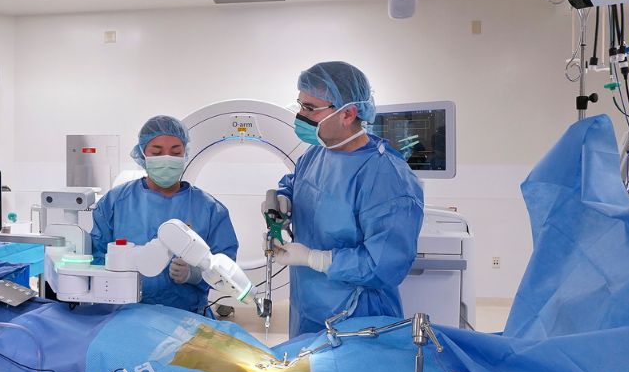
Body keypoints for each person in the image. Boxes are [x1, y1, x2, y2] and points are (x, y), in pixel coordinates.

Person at [274, 62, 425, 337]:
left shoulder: (386, 177)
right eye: (300, 105)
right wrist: (280, 204)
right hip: (308, 305)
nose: (300, 115)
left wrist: (313, 259)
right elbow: (295, 186)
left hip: (357, 316)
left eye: (310, 108)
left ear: (348, 113)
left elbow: (385, 265)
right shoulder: (316, 154)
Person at [90, 115, 239, 314]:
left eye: (175, 152)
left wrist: (195, 274)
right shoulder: (115, 202)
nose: (166, 159)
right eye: (157, 152)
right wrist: (124, 263)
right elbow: (96, 258)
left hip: (187, 317)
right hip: (125, 315)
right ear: (143, 154)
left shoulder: (209, 209)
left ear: (185, 154)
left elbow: (225, 268)